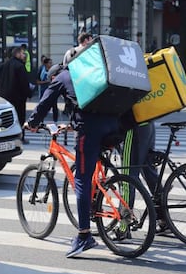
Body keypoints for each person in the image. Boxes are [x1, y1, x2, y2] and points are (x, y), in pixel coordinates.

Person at [25, 66, 119, 258]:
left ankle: (84, 235)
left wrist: (33, 123)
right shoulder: (90, 72)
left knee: (82, 179)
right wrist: (70, 126)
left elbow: (44, 103)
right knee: (92, 167)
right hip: (113, 126)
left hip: (91, 130)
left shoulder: (62, 77)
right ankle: (98, 198)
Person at [0, 47, 33, 144]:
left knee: (6, 118)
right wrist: (29, 93)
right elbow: (24, 83)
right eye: (22, 53)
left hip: (4, 97)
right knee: (19, 118)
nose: (24, 55)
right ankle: (19, 137)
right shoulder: (20, 66)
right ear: (17, 54)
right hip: (18, 97)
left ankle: (6, 137)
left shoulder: (3, 65)